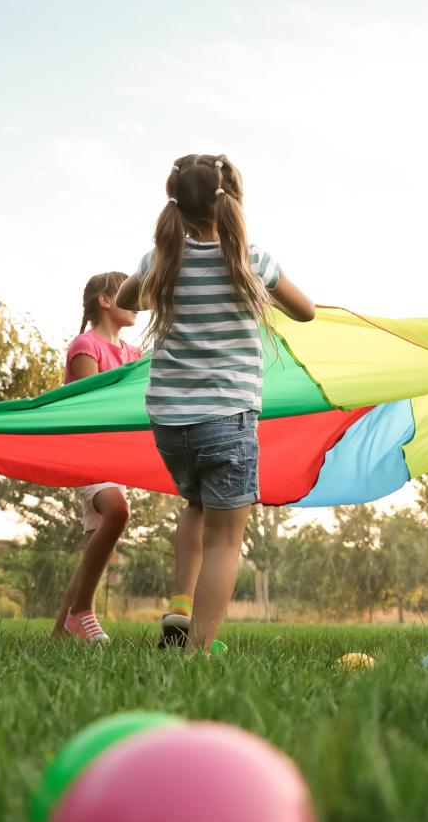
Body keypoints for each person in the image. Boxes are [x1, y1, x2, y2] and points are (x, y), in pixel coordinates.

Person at [115, 154, 314, 652]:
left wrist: (157, 272)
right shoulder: (251, 260)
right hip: (227, 416)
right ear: (233, 203)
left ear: (176, 204)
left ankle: (180, 604)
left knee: (196, 505)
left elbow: (124, 299)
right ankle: (197, 652)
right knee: (226, 542)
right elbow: (306, 311)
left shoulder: (161, 259)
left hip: (169, 422)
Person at [50, 272, 144, 642]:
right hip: (87, 454)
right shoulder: (85, 346)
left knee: (95, 548)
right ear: (106, 301)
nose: (136, 302)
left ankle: (61, 633)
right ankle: (82, 611)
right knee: (118, 511)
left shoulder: (134, 354)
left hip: (114, 460)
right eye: (127, 294)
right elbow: (91, 408)